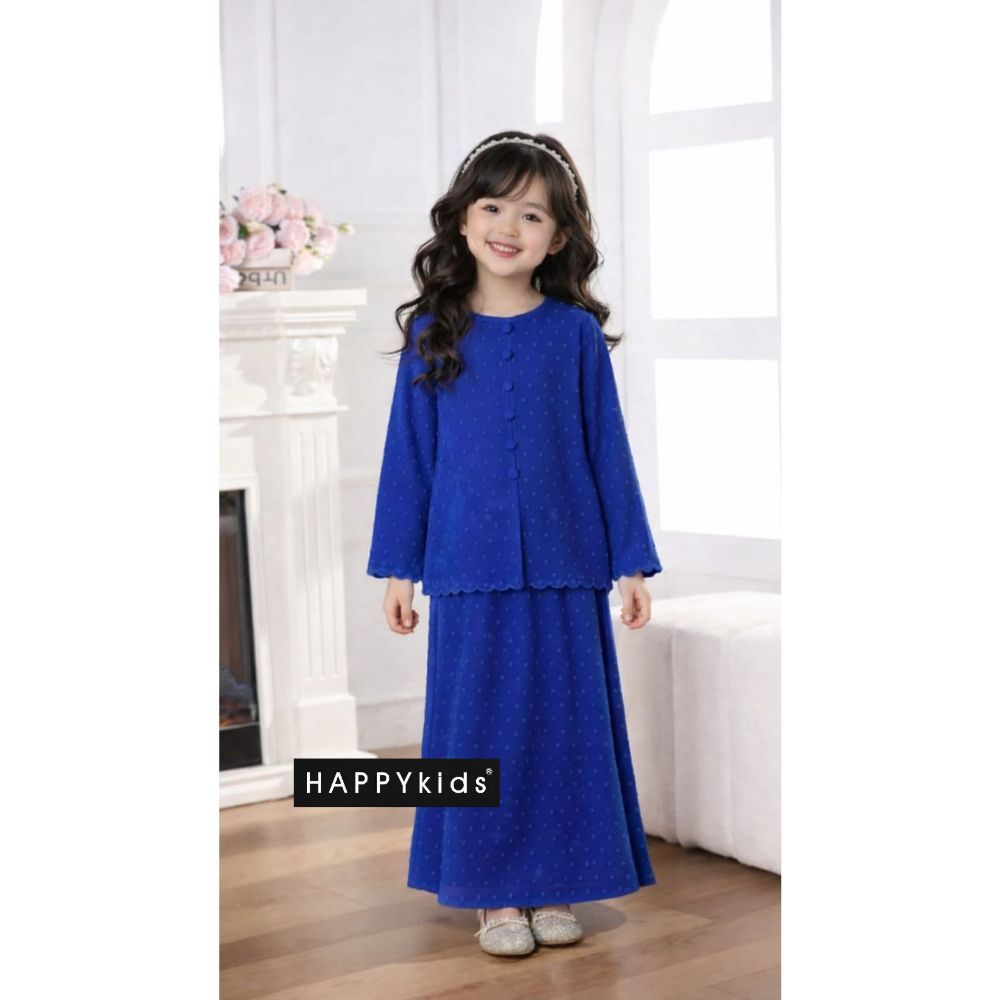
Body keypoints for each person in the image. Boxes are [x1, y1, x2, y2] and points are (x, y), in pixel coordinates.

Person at [366, 130, 662, 957]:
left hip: (569, 566)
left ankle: (554, 883)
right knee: (479, 732)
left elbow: (607, 449)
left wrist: (631, 562)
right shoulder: (434, 332)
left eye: (531, 214)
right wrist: (398, 567)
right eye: (493, 206)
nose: (508, 226)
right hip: (465, 569)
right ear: (463, 219)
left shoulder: (573, 335)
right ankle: (494, 895)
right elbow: (409, 457)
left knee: (564, 729)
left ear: (558, 238)